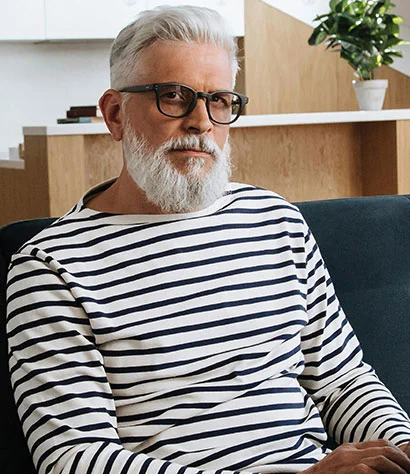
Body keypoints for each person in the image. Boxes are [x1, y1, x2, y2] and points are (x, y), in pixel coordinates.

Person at [6, 5, 410, 474]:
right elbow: (75, 459)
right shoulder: (50, 266)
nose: (201, 122)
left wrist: (402, 446)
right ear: (115, 114)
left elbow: (344, 381)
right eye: (173, 96)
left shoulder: (275, 219)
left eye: (219, 100)